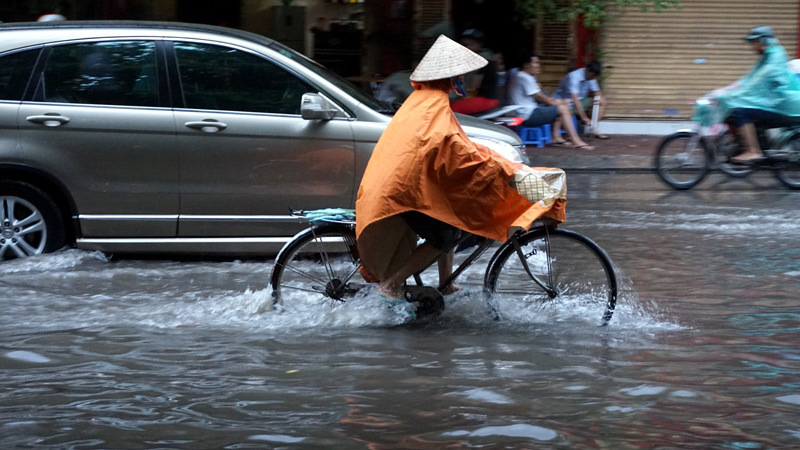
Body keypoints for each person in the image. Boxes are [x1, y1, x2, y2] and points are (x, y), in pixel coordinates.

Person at [355, 35, 566, 300]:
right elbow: (453, 149)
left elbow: (453, 144)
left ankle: (446, 283)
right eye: (460, 74)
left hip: (405, 181)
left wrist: (492, 160)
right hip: (405, 188)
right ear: (448, 75)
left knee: (451, 216)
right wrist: (498, 166)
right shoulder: (432, 104)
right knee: (445, 235)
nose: (464, 78)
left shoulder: (427, 99)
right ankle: (392, 285)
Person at [712, 26, 800, 163]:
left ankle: (754, 151)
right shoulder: (767, 56)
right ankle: (754, 145)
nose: (753, 46)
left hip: (780, 105)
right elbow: (748, 78)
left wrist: (737, 94)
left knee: (741, 112)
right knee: (737, 110)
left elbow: (758, 79)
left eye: (755, 42)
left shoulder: (775, 56)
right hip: (771, 102)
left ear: (763, 41)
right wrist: (726, 90)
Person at [509, 54, 594, 149]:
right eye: (536, 62)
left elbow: (540, 97)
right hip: (527, 115)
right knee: (563, 108)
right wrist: (555, 103)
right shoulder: (523, 77)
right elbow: (540, 97)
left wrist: (558, 102)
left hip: (529, 111)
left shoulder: (525, 77)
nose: (538, 65)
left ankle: (555, 137)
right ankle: (576, 141)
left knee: (563, 104)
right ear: (526, 65)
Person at [552, 60, 608, 139]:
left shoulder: (591, 78)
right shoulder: (574, 77)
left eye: (594, 77)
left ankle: (593, 129)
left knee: (602, 101)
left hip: (579, 102)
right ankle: (560, 135)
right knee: (566, 105)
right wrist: (584, 117)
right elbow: (575, 100)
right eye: (592, 76)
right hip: (564, 102)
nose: (593, 78)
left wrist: (598, 99)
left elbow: (597, 92)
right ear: (588, 70)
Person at [450, 29, 500, 115]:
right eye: (462, 45)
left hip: (485, 99)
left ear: (479, 45)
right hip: (484, 98)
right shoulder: (484, 57)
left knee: (449, 110)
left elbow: (474, 87)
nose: (464, 48)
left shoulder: (481, 59)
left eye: (468, 45)